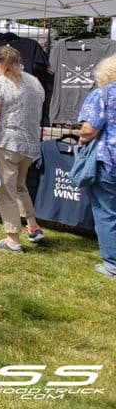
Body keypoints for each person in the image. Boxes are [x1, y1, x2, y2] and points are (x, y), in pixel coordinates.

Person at [0, 46, 46, 253]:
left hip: (5, 143)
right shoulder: (34, 82)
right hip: (30, 145)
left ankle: (12, 239)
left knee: (5, 191)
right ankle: (33, 226)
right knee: (19, 187)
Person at [78, 52, 116, 280]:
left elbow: (89, 129)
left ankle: (112, 263)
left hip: (108, 160)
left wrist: (82, 136)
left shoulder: (102, 95)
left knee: (106, 211)